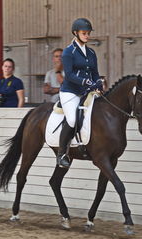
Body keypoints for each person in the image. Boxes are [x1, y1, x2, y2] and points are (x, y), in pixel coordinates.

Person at [57, 18, 103, 169]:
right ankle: (62, 153)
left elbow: (95, 73)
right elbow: (69, 75)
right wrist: (85, 82)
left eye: (88, 33)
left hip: (86, 92)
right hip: (70, 92)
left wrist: (98, 83)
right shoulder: (68, 52)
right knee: (71, 120)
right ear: (75, 33)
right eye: (84, 33)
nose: (87, 36)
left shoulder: (90, 52)